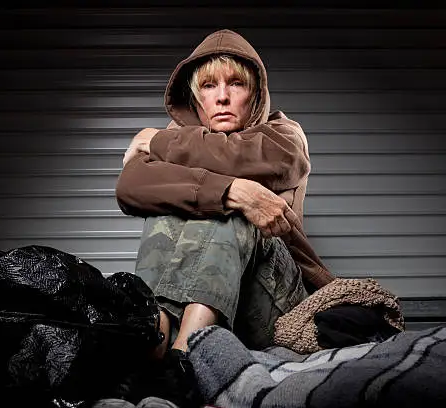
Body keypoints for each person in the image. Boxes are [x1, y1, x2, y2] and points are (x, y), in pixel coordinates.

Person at [114, 29, 335, 406]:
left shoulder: (284, 135)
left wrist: (158, 142)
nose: (222, 96)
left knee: (236, 209)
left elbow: (245, 160)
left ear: (256, 94)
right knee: (187, 202)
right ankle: (155, 340)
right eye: (208, 86)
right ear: (194, 97)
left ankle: (184, 355)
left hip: (274, 302)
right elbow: (130, 185)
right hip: (202, 294)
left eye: (236, 84)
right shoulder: (181, 137)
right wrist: (231, 191)